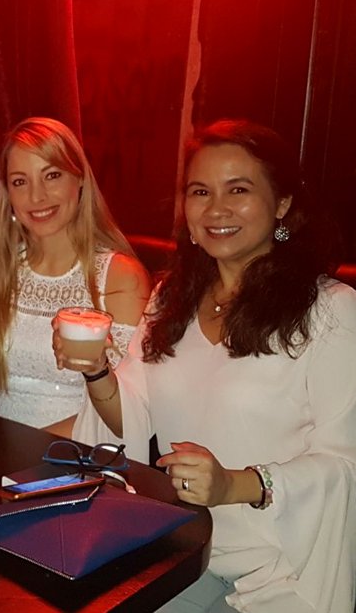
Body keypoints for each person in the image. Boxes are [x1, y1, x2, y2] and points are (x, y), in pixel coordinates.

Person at [69, 120, 356, 612]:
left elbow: (344, 462)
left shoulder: (331, 310)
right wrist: (95, 369)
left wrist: (234, 484)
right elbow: (131, 415)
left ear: (282, 203)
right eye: (200, 191)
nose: (216, 208)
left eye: (238, 190)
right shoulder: (171, 297)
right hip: (186, 546)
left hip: (283, 565)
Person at [0, 117, 150, 435]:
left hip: (77, 451)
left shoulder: (121, 278)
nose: (37, 196)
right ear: (8, 194)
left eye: (52, 175)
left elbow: (126, 419)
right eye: (20, 182)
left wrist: (27, 450)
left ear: (79, 179)